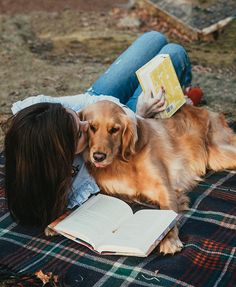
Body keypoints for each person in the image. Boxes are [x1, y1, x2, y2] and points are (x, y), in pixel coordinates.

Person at [5, 31, 196, 229]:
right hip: (119, 122)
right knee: (174, 53)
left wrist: (129, 114)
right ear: (63, 153)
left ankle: (179, 96)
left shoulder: (39, 113)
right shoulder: (71, 185)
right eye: (80, 133)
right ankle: (183, 92)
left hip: (98, 101)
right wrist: (140, 114)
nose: (84, 125)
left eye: (76, 118)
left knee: (154, 38)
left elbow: (89, 102)